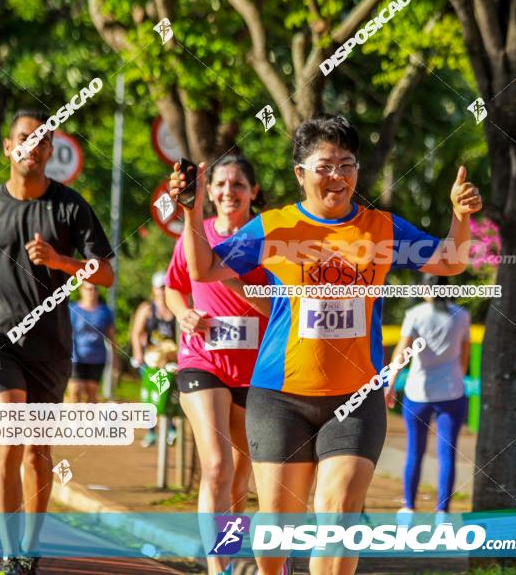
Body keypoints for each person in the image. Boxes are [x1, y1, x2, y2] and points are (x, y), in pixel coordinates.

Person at [169, 113, 482, 575]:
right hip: (279, 397)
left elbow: (449, 261)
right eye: (324, 166)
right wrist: (192, 211)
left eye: (347, 165)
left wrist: (459, 218)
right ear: (300, 174)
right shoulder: (275, 227)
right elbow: (203, 269)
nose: (337, 176)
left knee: (338, 515)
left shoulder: (381, 228)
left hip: (355, 399)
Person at [0, 109, 114, 575]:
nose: (32, 147)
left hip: (51, 346)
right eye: (24, 138)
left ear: (49, 151)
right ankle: (8, 554)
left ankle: (30, 546)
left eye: (42, 141)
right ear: (9, 146)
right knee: (10, 437)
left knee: (38, 451)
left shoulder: (69, 206)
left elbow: (105, 272)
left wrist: (62, 261)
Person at [164, 155, 270, 575]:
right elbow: (174, 287)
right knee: (217, 465)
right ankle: (217, 569)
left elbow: (276, 304)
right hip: (202, 360)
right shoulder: (196, 234)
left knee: (241, 477)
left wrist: (228, 278)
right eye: (221, 184)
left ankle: (226, 551)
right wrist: (181, 313)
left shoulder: (267, 238)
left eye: (238, 184)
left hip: (257, 369)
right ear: (208, 192)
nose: (229, 192)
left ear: (253, 192)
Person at [385, 275, 471, 521]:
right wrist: (455, 376)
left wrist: (390, 384)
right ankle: (442, 511)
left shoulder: (415, 314)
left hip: (418, 391)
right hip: (452, 391)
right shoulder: (461, 315)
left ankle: (409, 507)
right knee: (447, 453)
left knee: (415, 450)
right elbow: (464, 358)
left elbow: (401, 353)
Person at [131, 272, 178, 447]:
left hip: (170, 361)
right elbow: (136, 333)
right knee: (152, 396)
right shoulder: (147, 309)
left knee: (168, 393)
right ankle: (151, 432)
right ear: (154, 289)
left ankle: (171, 428)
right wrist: (138, 354)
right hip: (150, 360)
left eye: (166, 287)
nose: (163, 291)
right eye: (160, 288)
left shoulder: (175, 308)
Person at [68, 282, 118, 403]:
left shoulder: (105, 312)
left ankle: (89, 422)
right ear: (81, 290)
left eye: (94, 289)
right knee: (75, 391)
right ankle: (73, 422)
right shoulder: (72, 310)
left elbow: (111, 336)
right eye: (88, 289)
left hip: (97, 358)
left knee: (91, 394)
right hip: (76, 357)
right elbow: (66, 333)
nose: (91, 292)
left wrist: (116, 358)